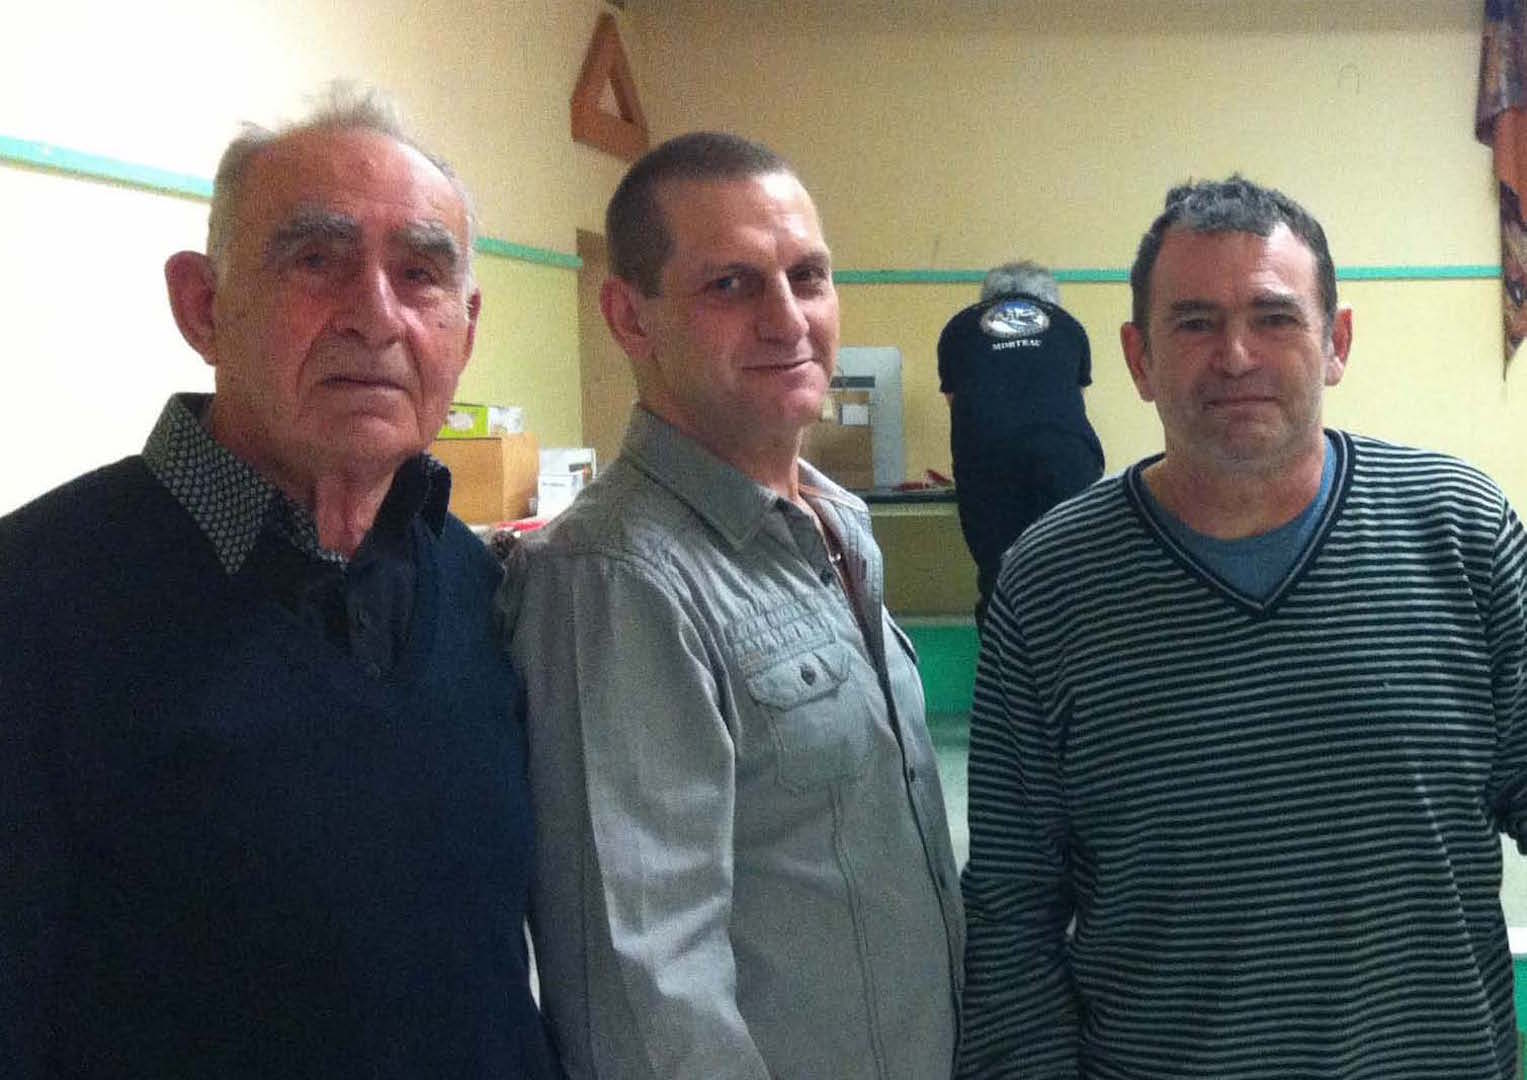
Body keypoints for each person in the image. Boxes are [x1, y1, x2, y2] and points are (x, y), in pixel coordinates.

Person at [0, 85, 559, 1077]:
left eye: (421, 274)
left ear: (465, 331)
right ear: (203, 306)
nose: (376, 316)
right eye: (315, 260)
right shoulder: (33, 601)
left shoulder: (478, 584)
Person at [957, 176, 1527, 1079]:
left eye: (1273, 317)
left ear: (1335, 343)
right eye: (1193, 323)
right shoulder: (1050, 582)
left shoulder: (1457, 529)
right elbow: (1011, 912)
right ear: (1138, 358)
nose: (1234, 355)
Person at [499, 132, 964, 1079]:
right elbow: (643, 997)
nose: (788, 320)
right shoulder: (617, 579)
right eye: (731, 285)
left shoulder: (832, 524)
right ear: (629, 318)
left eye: (808, 276)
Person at [937, 261, 1103, 626]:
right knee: (1074, 566)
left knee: (998, 570)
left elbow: (956, 404)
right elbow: (1075, 401)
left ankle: (1002, 650)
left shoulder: (959, 327)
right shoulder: (1068, 325)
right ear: (1048, 299)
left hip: (987, 457)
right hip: (1065, 455)